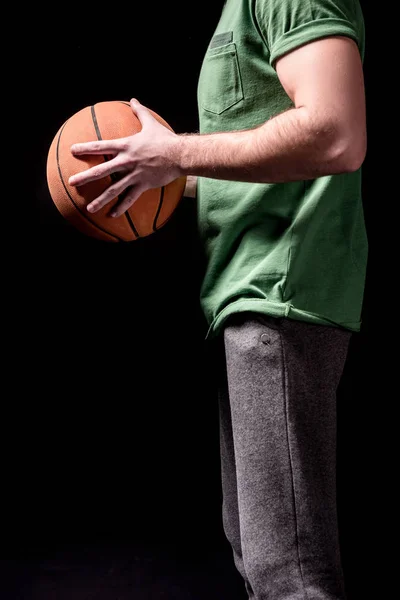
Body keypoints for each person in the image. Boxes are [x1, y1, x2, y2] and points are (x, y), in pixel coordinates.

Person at [68, 1, 367, 598]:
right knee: (260, 556)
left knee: (290, 576)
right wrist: (152, 169)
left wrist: (175, 153)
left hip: (279, 285)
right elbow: (260, 145)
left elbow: (337, 132)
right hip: (245, 294)